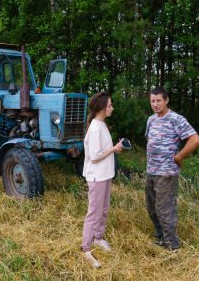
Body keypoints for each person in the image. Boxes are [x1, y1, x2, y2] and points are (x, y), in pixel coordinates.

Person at [145, 87, 199, 250]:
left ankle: (171, 246)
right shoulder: (151, 120)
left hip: (166, 173)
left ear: (166, 100)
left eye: (158, 101)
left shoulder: (176, 119)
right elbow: (149, 138)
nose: (155, 104)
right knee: (151, 207)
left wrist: (179, 156)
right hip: (151, 171)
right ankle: (160, 237)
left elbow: (195, 140)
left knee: (164, 210)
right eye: (152, 101)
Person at [81, 92, 124, 268]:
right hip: (97, 176)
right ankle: (85, 249)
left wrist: (115, 148)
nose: (112, 108)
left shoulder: (102, 124)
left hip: (106, 175)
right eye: (109, 106)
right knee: (94, 213)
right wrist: (114, 149)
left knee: (104, 210)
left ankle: (98, 238)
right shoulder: (95, 128)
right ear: (101, 108)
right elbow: (95, 157)